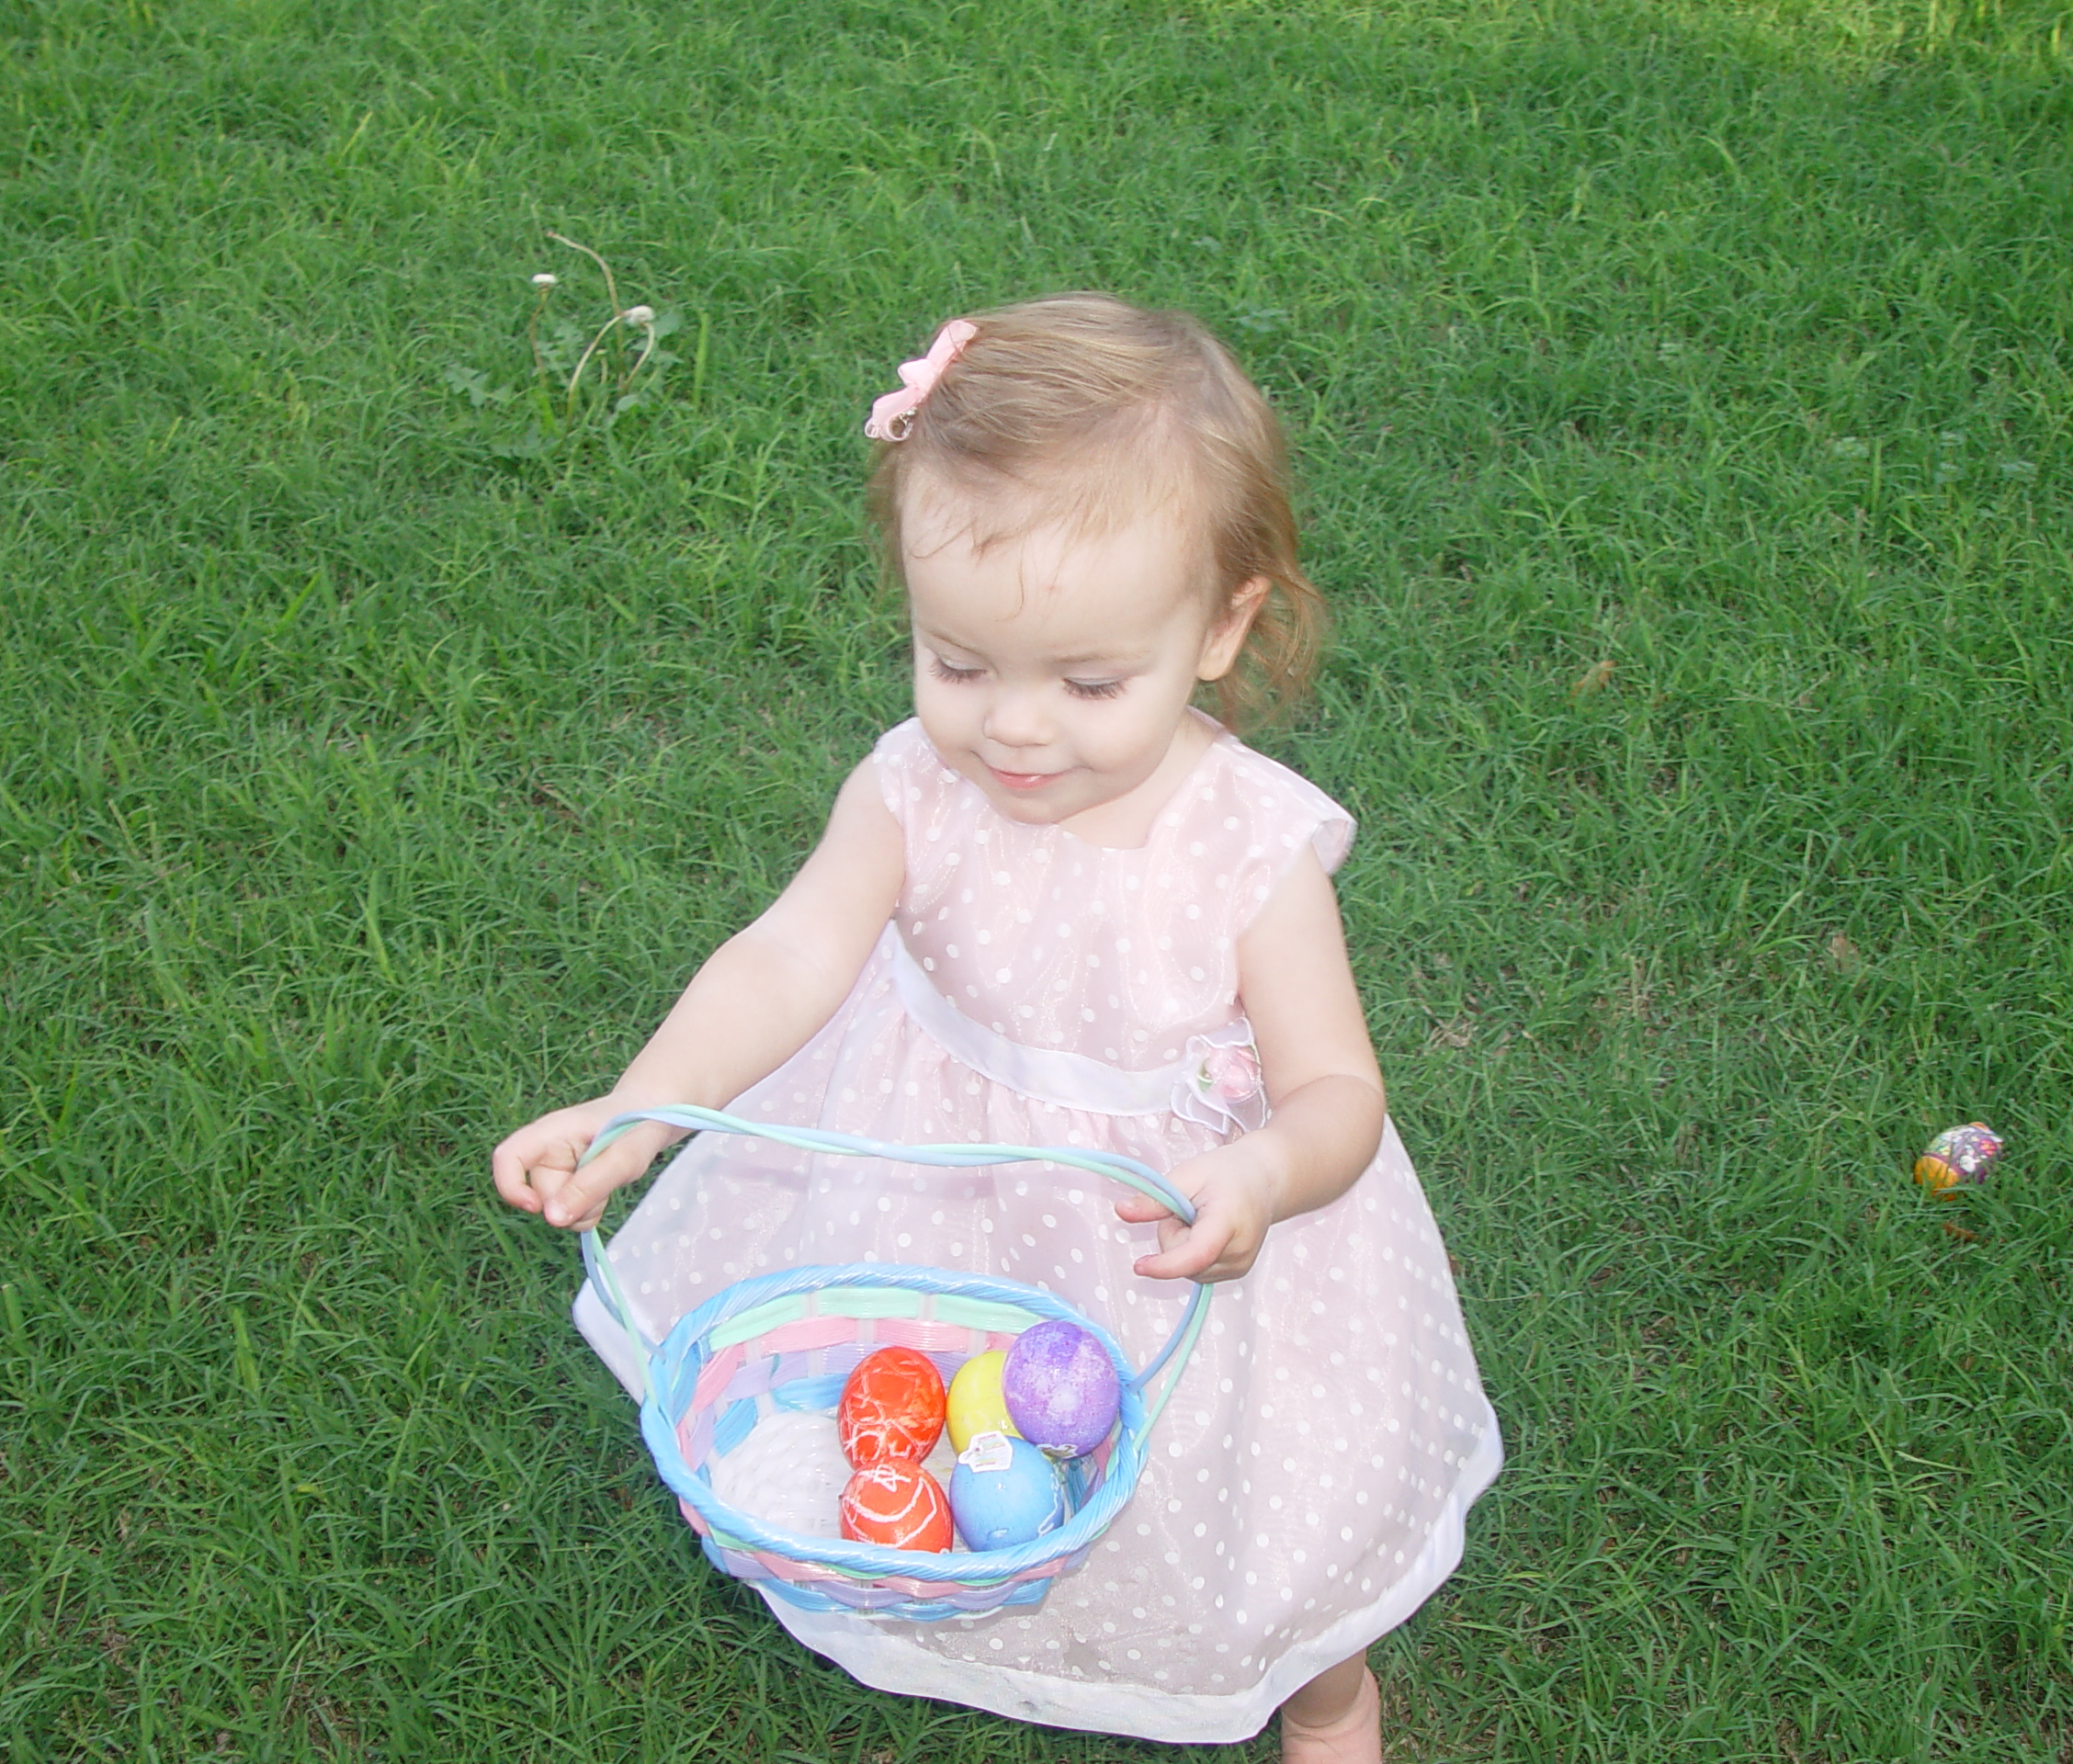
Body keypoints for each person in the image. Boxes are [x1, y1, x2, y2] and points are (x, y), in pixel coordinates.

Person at [492, 294, 1501, 1762]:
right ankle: (986, 1592)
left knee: (1260, 1497)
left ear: (1222, 629)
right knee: (954, 1428)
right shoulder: (911, 788)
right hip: (935, 1193)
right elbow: (787, 959)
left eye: (1090, 682)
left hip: (1180, 1239)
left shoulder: (1248, 851)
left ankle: (1323, 1687)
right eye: (957, 663)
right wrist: (644, 1111)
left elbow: (1338, 1086)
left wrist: (1272, 1173)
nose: (1014, 729)